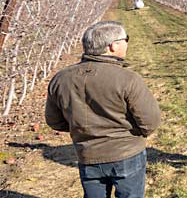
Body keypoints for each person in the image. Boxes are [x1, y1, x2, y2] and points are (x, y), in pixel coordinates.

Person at [46, 21, 161, 198]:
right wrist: (130, 134)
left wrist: (83, 129)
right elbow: (150, 123)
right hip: (126, 154)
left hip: (87, 155)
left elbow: (55, 121)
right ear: (112, 46)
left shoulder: (61, 79)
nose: (127, 43)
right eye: (126, 39)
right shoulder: (128, 79)